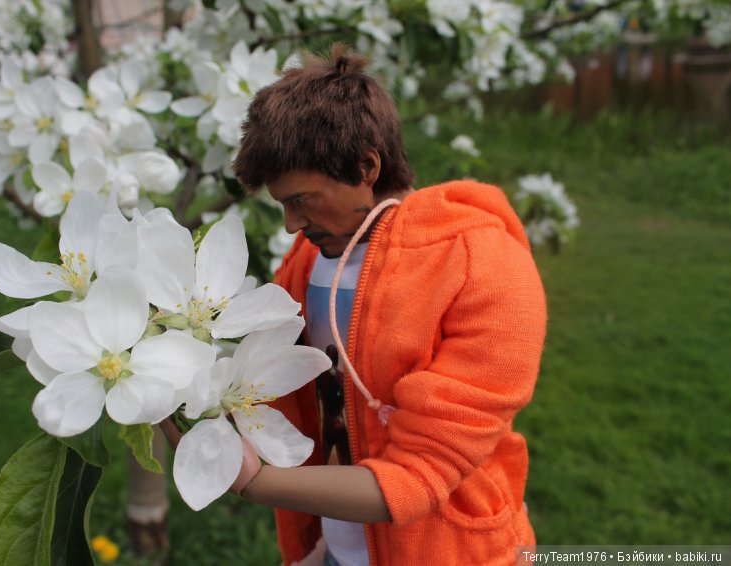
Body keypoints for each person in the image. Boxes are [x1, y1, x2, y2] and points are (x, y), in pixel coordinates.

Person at [168, 44, 547, 566]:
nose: (291, 226)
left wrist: (256, 482)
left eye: (301, 200)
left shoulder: (482, 266)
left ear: (366, 166)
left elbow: (420, 477)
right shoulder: (309, 258)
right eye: (281, 205)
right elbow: (280, 382)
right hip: (334, 550)